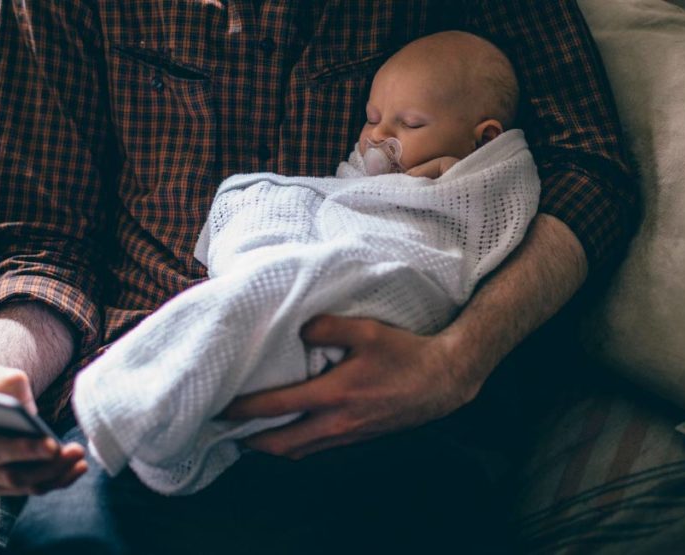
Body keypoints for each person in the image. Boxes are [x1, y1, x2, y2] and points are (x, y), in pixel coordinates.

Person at [0, 2, 637, 552]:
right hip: (154, 378)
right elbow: (43, 240)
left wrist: (456, 361)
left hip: (400, 396)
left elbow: (591, 168)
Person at [72, 31, 540, 496]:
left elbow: (552, 185)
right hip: (329, 241)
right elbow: (344, 197)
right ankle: (159, 400)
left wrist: (455, 359)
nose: (379, 137)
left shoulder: (483, 178)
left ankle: (135, 400)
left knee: (283, 288)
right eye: (372, 118)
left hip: (396, 291)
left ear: (485, 139)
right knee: (266, 214)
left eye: (412, 124)